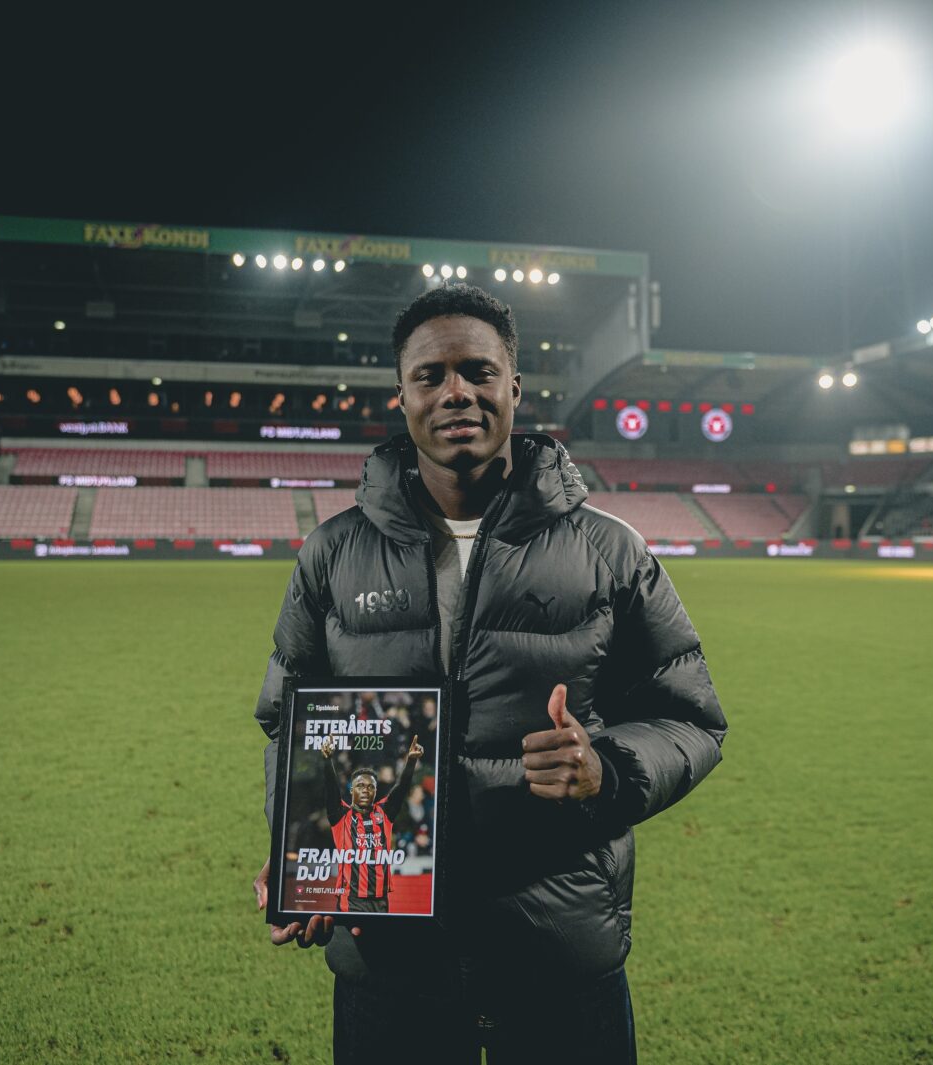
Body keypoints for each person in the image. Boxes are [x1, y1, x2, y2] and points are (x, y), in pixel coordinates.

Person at [253, 283, 727, 1063]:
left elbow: (692, 715)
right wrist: (303, 849)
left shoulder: (609, 550)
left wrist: (606, 768)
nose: (455, 392)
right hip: (389, 959)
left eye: (477, 371)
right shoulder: (332, 554)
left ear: (514, 386)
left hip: (560, 955)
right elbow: (286, 719)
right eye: (430, 376)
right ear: (401, 395)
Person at [321, 734, 423, 914]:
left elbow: (400, 789)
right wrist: (328, 760)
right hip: (350, 901)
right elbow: (331, 789)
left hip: (380, 902)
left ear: (376, 791)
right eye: (360, 786)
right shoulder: (340, 815)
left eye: (371, 787)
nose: (365, 790)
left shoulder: (384, 812)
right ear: (351, 790)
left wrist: (411, 761)